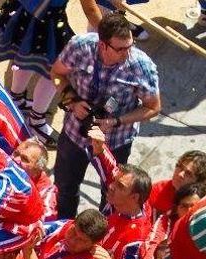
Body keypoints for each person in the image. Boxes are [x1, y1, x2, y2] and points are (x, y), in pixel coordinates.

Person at [48, 12, 162, 218]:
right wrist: (71, 99)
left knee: (111, 195)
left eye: (130, 46)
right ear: (103, 45)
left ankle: (101, 236)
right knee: (64, 189)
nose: (127, 54)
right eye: (120, 49)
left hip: (115, 142)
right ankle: (64, 229)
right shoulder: (80, 47)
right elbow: (56, 73)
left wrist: (117, 121)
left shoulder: (141, 67)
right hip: (75, 133)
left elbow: (153, 107)